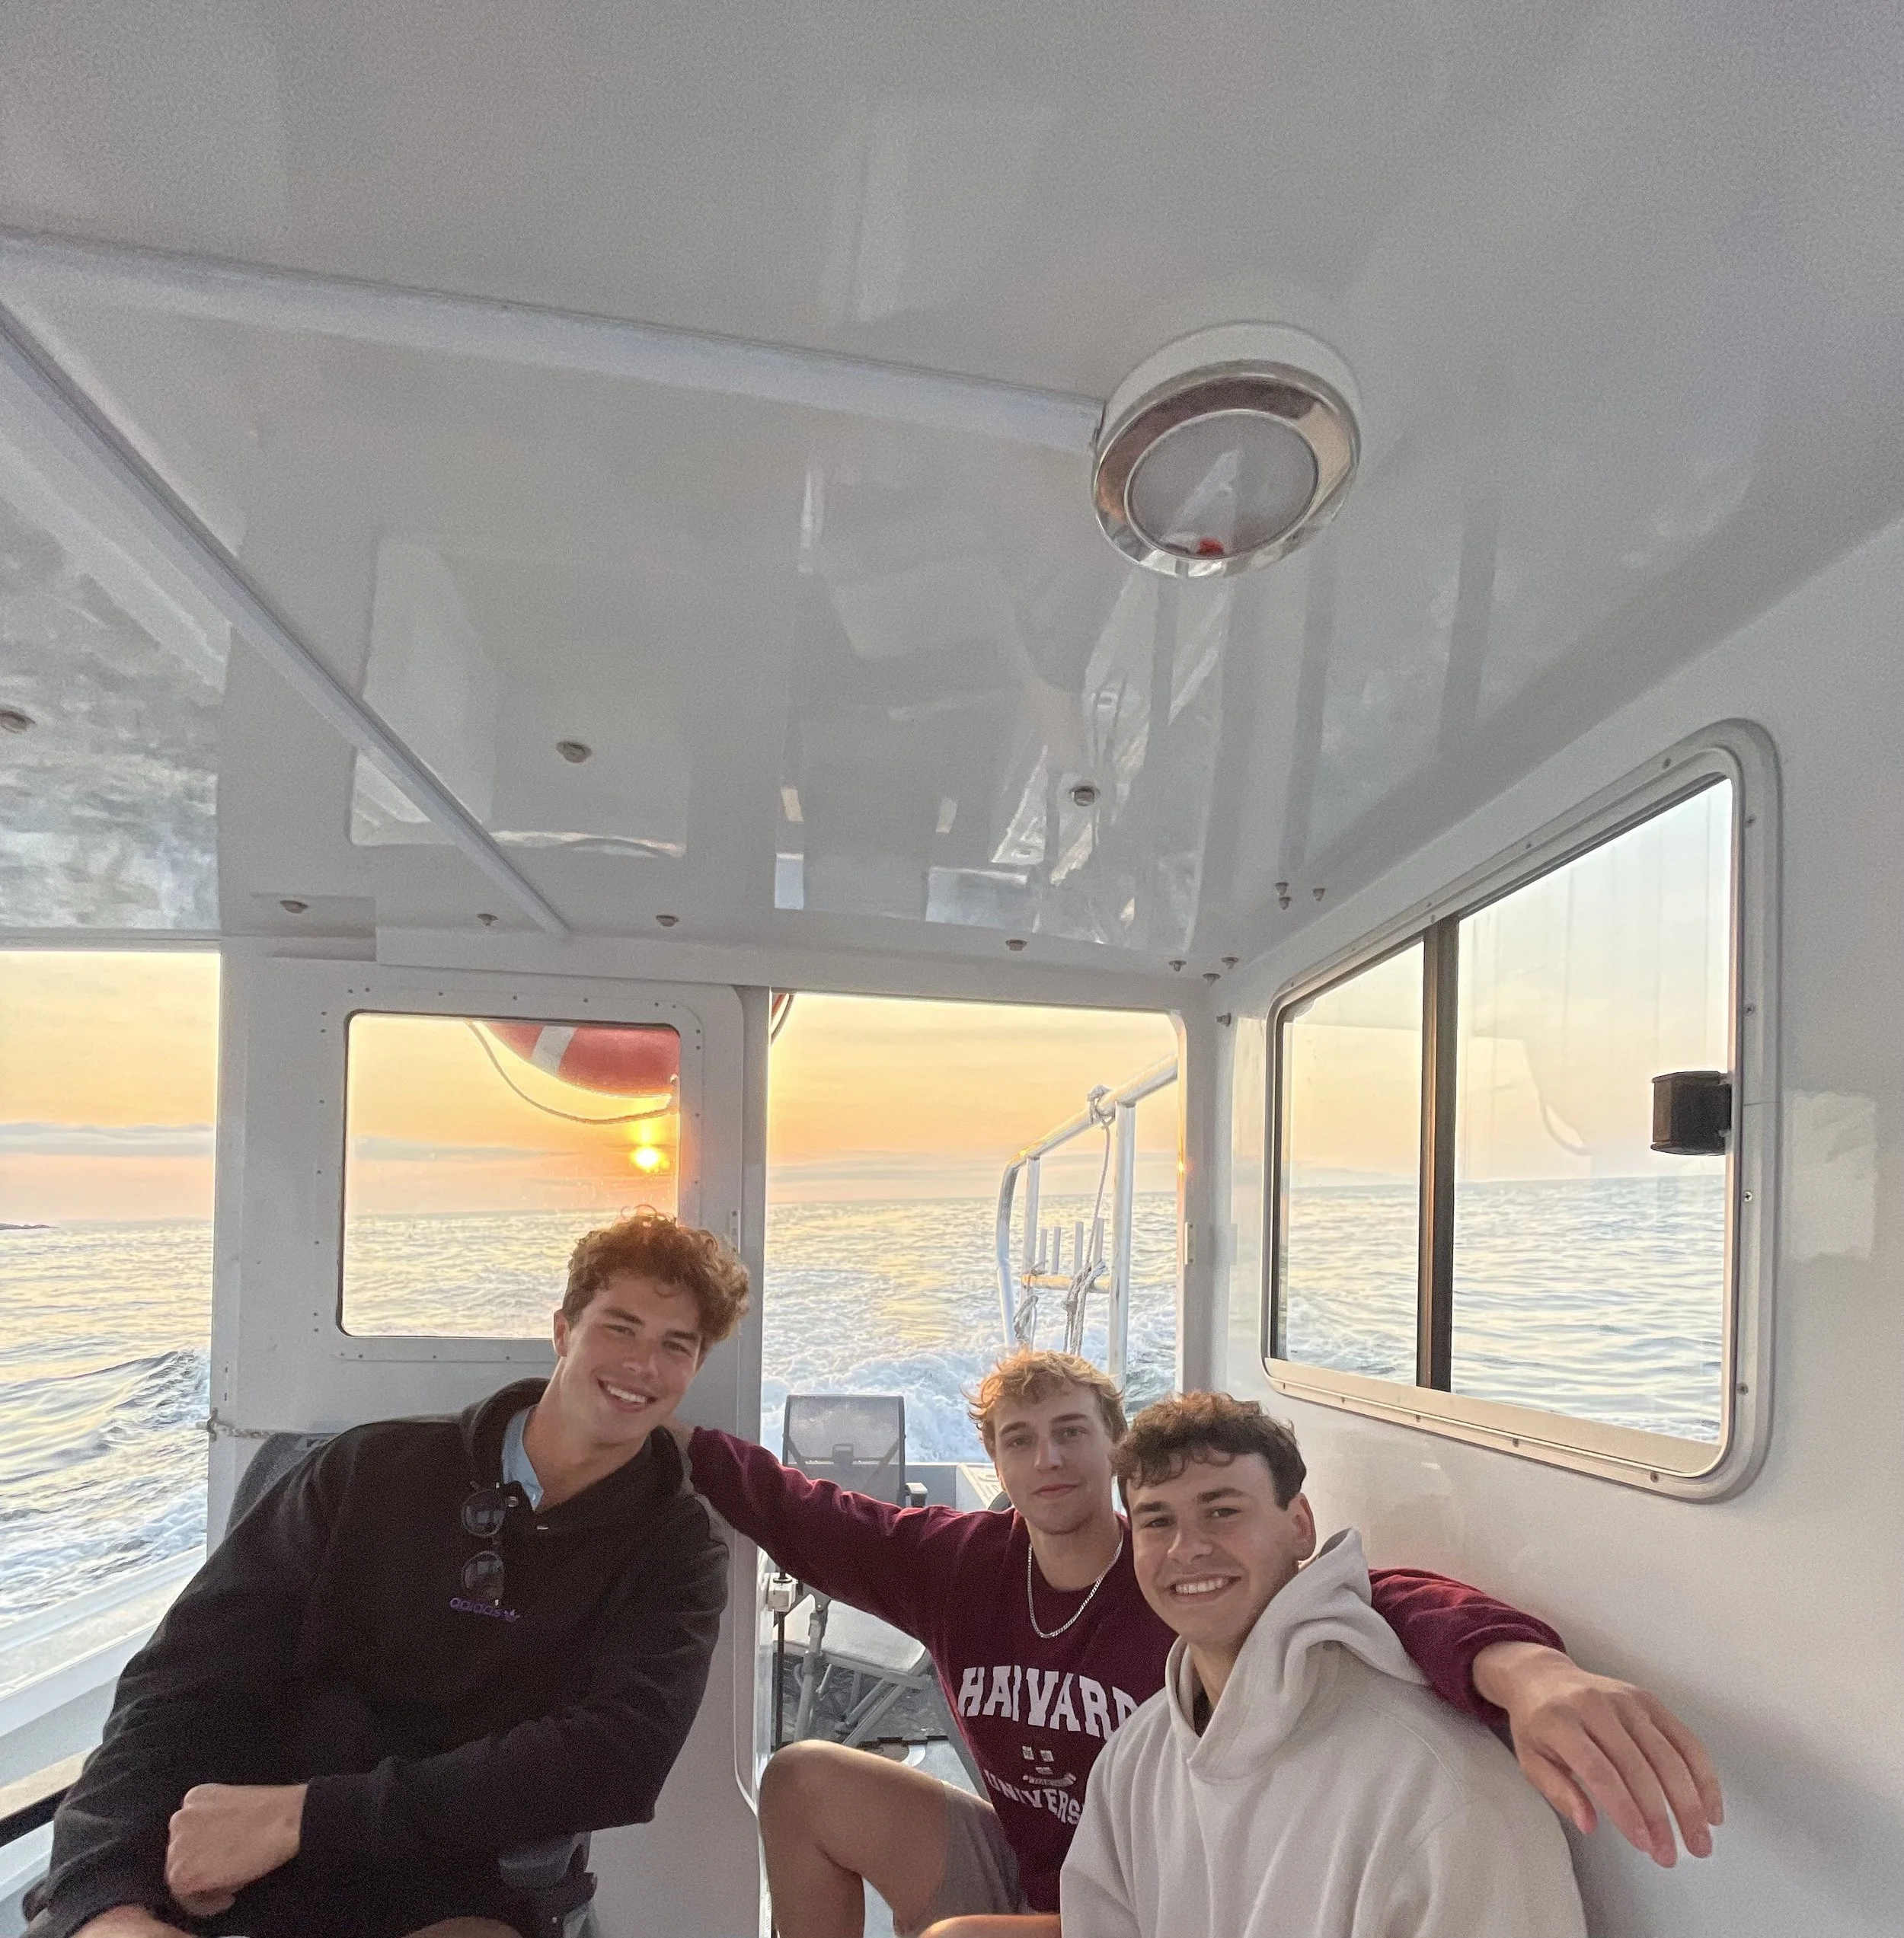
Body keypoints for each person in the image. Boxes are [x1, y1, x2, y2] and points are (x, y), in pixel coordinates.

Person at [678, 1350, 1719, 1938]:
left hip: (1149, 1895)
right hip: (1072, 1874)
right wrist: (658, 1434)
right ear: (990, 1460)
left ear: (1109, 1445)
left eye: (1074, 1432)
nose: (1049, 1461)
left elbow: (1379, 1598)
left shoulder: (1183, 1596)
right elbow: (802, 1511)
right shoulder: (962, 1568)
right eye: (1019, 1440)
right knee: (805, 1775)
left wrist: (1519, 1664)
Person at [30, 1208, 749, 1938]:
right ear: (563, 1329)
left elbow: (614, 1757)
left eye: (674, 1346)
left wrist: (309, 1817)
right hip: (236, 1850)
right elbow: (184, 1682)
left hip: (453, 1880)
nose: (642, 1365)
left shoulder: (674, 1547)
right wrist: (108, 1894)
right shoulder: (369, 1469)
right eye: (619, 1327)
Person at [1062, 1392, 1588, 1937]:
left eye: (1222, 1511)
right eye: (1156, 1521)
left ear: (1301, 1526)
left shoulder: (1442, 1789)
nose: (1186, 1547)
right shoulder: (1134, 1758)